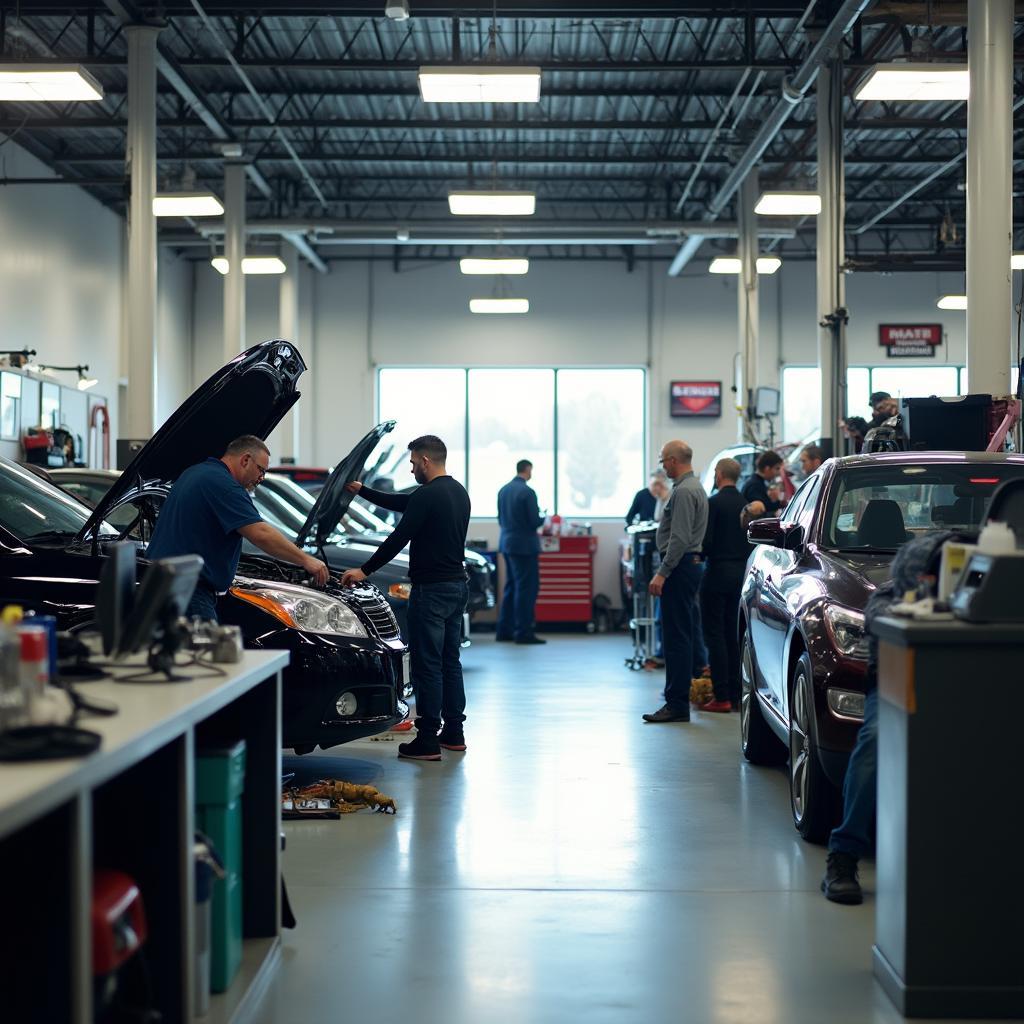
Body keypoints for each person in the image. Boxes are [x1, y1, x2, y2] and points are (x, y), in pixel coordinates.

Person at [341, 435, 471, 762]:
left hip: (432, 592)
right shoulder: (457, 492)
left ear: (425, 460)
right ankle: (454, 732)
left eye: (413, 463)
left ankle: (427, 739)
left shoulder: (428, 495)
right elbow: (404, 502)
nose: (412, 468)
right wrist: (363, 492)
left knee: (427, 665)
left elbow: (399, 536)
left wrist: (365, 570)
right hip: (457, 587)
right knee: (449, 662)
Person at [145, 435, 329, 622]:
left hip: (164, 583)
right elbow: (261, 533)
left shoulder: (195, 473)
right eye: (261, 470)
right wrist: (305, 560)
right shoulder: (224, 485)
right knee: (203, 649)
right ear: (245, 460)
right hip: (188, 591)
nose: (261, 478)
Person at [642, 440, 709, 724]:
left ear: (672, 460)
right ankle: (682, 695)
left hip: (680, 568)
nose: (661, 465)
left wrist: (662, 572)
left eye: (662, 460)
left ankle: (677, 703)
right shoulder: (696, 487)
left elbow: (679, 538)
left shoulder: (683, 492)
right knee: (686, 632)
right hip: (689, 566)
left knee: (676, 636)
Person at [698, 458, 751, 713]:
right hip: (741, 575)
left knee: (714, 634)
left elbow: (705, 542)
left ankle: (721, 696)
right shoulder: (747, 505)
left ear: (719, 475)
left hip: (717, 573)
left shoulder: (714, 503)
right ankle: (735, 691)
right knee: (733, 634)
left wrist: (699, 553)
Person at [496, 459, 546, 645]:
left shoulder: (503, 490)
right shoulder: (528, 492)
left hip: (507, 544)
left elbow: (500, 519)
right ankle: (523, 632)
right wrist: (544, 517)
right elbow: (534, 521)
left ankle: (504, 630)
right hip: (524, 547)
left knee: (511, 586)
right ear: (528, 470)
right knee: (526, 588)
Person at [741, 451, 785, 516]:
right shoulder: (755, 486)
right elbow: (762, 512)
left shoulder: (757, 482)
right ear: (767, 469)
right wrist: (776, 501)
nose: (778, 473)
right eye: (777, 468)